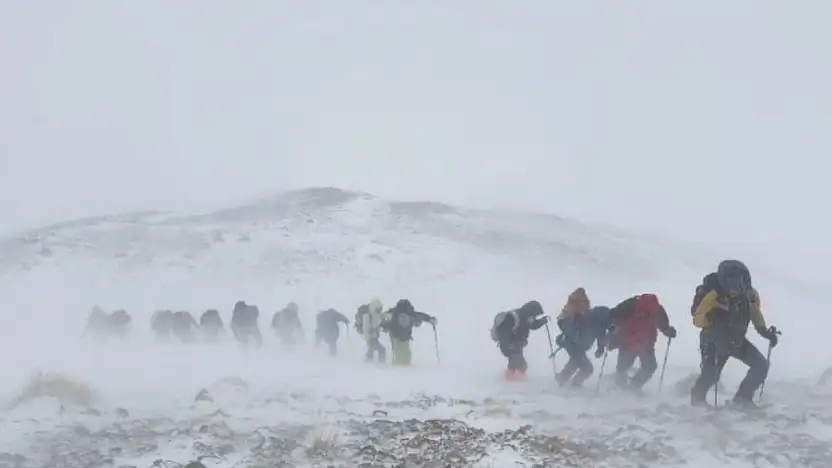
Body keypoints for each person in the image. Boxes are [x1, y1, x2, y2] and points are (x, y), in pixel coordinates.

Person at [690, 260, 780, 408]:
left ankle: (743, 399)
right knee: (711, 373)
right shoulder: (712, 294)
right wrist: (709, 321)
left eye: (738, 285)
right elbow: (697, 317)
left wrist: (764, 332)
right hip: (713, 339)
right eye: (731, 285)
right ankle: (697, 399)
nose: (734, 289)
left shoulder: (750, 295)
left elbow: (755, 314)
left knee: (760, 365)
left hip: (736, 340)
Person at [608, 293, 677, 393]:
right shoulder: (633, 306)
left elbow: (664, 326)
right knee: (631, 365)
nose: (647, 314)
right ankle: (626, 387)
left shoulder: (654, 310)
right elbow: (613, 314)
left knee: (645, 365)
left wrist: (669, 331)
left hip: (640, 340)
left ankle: (629, 387)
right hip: (631, 339)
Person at [555, 288, 611, 387]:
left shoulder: (595, 320)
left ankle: (562, 379)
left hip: (576, 345)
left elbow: (599, 334)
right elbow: (569, 329)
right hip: (574, 345)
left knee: (576, 361)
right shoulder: (580, 317)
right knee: (586, 368)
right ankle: (573, 384)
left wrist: (601, 347)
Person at [490, 300, 549, 380]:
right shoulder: (514, 317)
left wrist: (542, 322)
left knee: (515, 363)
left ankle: (509, 379)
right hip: (507, 344)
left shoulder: (523, 316)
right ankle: (514, 382)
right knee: (521, 364)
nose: (534, 318)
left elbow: (532, 325)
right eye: (535, 316)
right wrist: (509, 345)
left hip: (512, 344)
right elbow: (504, 332)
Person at [380, 299, 436, 366]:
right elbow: (421, 316)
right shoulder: (410, 313)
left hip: (395, 336)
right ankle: (402, 366)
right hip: (403, 336)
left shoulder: (394, 312)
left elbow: (385, 320)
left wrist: (384, 326)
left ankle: (397, 365)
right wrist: (430, 319)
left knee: (398, 351)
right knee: (404, 352)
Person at [356, 298, 387, 363]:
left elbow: (382, 317)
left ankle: (368, 364)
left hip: (374, 336)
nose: (380, 309)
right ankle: (382, 364)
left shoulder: (377, 313)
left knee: (371, 351)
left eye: (380, 308)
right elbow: (365, 328)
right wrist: (368, 339)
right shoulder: (367, 316)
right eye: (378, 308)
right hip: (370, 337)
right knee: (382, 350)